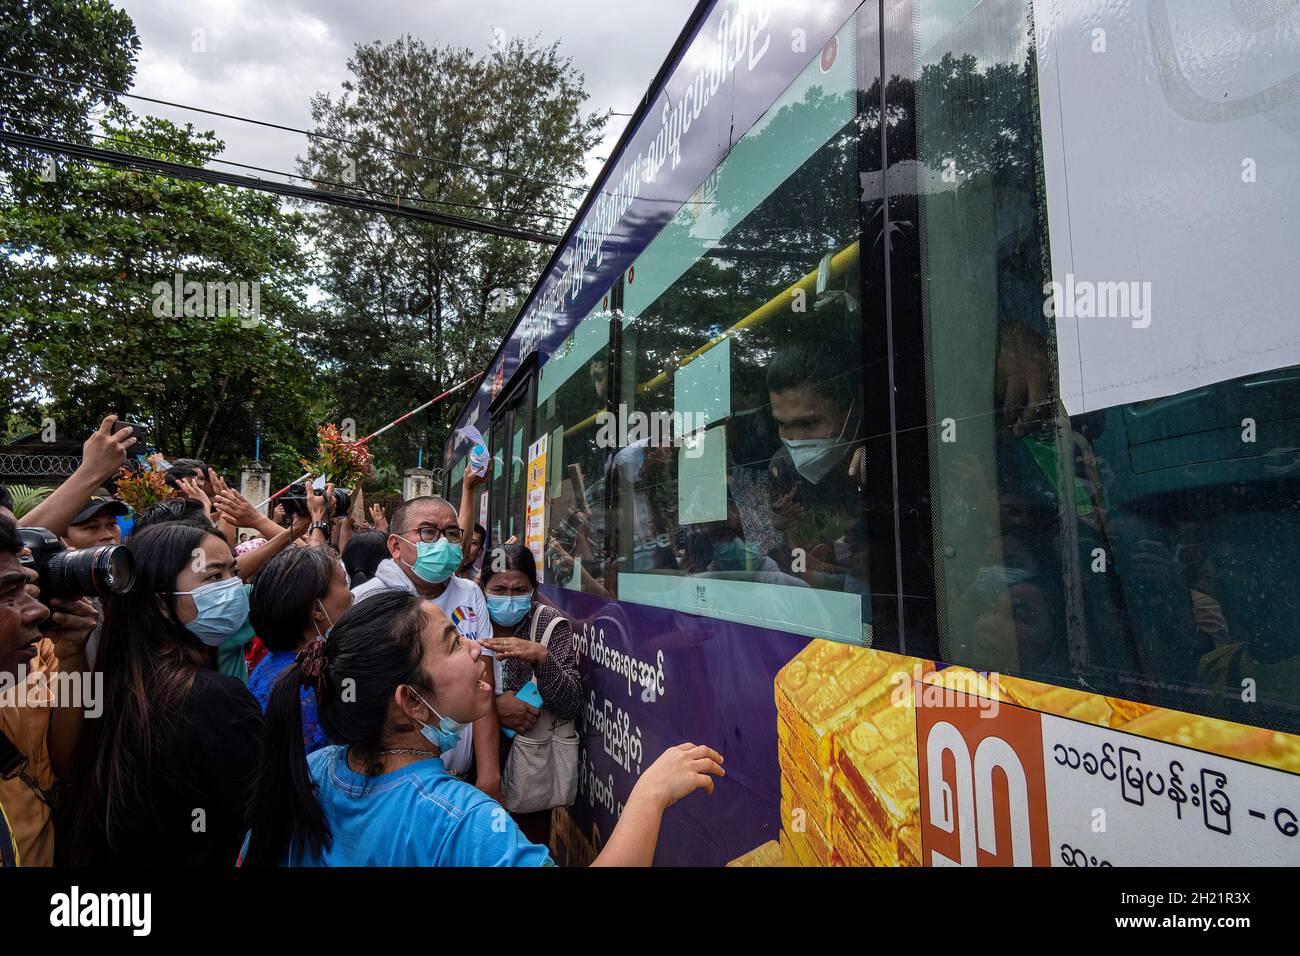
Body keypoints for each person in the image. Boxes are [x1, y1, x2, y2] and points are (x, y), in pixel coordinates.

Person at [242, 590, 724, 866]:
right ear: (410, 702)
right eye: (453, 645)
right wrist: (650, 796)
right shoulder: (459, 820)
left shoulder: (315, 770)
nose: (476, 648)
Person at [69, 522, 263, 865]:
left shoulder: (111, 684)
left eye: (233, 572)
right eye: (214, 577)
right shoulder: (216, 700)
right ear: (161, 603)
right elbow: (258, 815)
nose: (233, 588)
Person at [350, 495, 502, 798]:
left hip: (459, 779)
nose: (442, 542)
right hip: (387, 782)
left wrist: (489, 776)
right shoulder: (366, 600)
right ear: (395, 545)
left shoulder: (470, 593)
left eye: (451, 533)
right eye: (428, 532)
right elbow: (352, 694)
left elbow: (482, 684)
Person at [0, 515, 99, 866]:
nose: (36, 609)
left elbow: (77, 762)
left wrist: (74, 653)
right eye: (8, 594)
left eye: (25, 588)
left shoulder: (36, 653)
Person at [480, 544, 582, 845]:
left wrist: (543, 659)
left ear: (533, 590)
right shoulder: (468, 621)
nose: (509, 598)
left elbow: (571, 704)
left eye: (518, 589)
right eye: (499, 589)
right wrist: (494, 709)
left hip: (531, 773)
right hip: (469, 771)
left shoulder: (548, 625)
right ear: (482, 587)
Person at [247, 546, 353, 753]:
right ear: (317, 609)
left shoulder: (269, 665)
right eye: (344, 583)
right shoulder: (314, 681)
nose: (352, 595)